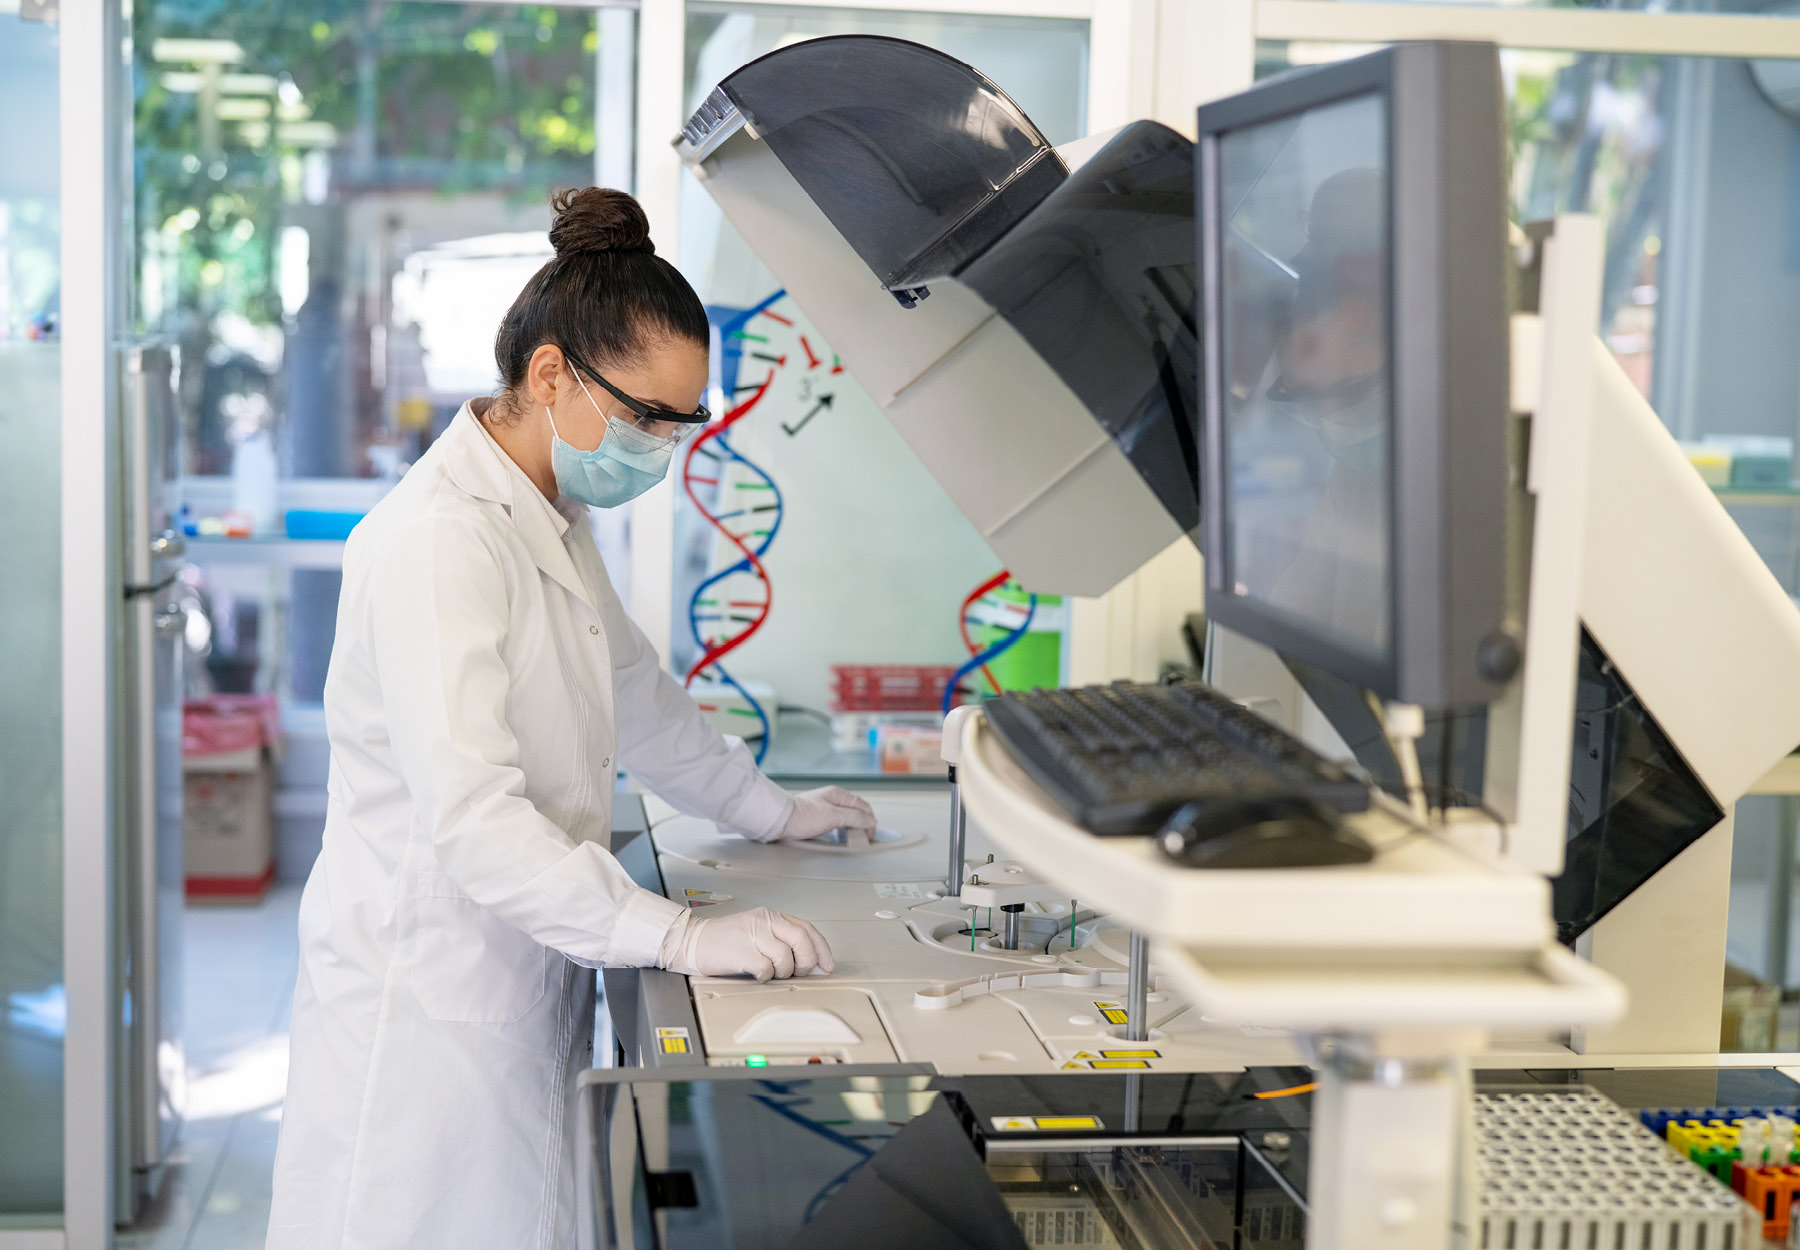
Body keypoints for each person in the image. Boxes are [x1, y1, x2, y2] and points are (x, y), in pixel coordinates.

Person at [265, 187, 877, 1250]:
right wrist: (680, 931)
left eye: (680, 424)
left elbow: (631, 690)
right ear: (550, 374)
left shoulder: (549, 510)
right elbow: (472, 818)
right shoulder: (438, 543)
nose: (661, 445)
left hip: (519, 972)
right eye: (645, 416)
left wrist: (768, 810)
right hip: (427, 1008)